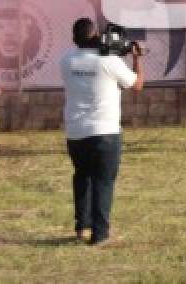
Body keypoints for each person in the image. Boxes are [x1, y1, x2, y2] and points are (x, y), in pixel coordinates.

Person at [60, 18, 145, 245]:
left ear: (74, 38)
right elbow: (136, 85)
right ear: (96, 35)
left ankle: (82, 228)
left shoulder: (66, 60)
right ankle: (100, 234)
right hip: (105, 132)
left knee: (82, 177)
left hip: (76, 133)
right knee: (103, 181)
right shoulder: (110, 61)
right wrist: (136, 58)